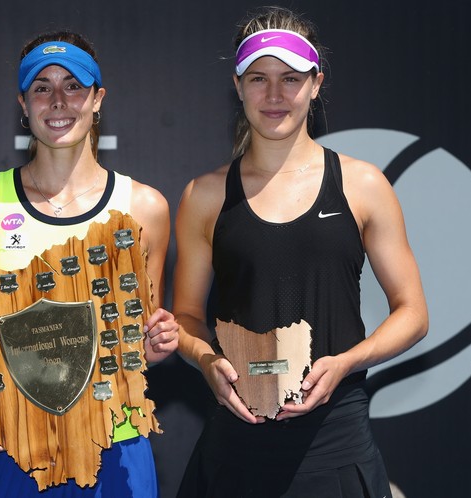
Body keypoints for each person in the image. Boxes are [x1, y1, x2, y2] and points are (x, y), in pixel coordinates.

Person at [173, 6, 428, 498]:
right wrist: (206, 361)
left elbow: (414, 313)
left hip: (336, 446)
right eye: (258, 78)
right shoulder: (203, 196)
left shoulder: (363, 184)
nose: (274, 95)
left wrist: (348, 361)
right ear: (238, 84)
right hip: (234, 452)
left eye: (290, 79)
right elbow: (185, 314)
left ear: (316, 84)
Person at [0, 30, 179, 497]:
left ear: (98, 99)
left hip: (114, 446)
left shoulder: (146, 208)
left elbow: (139, 338)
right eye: (42, 87)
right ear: (23, 103)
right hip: (5, 445)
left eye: (73, 85)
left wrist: (155, 346)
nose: (58, 100)